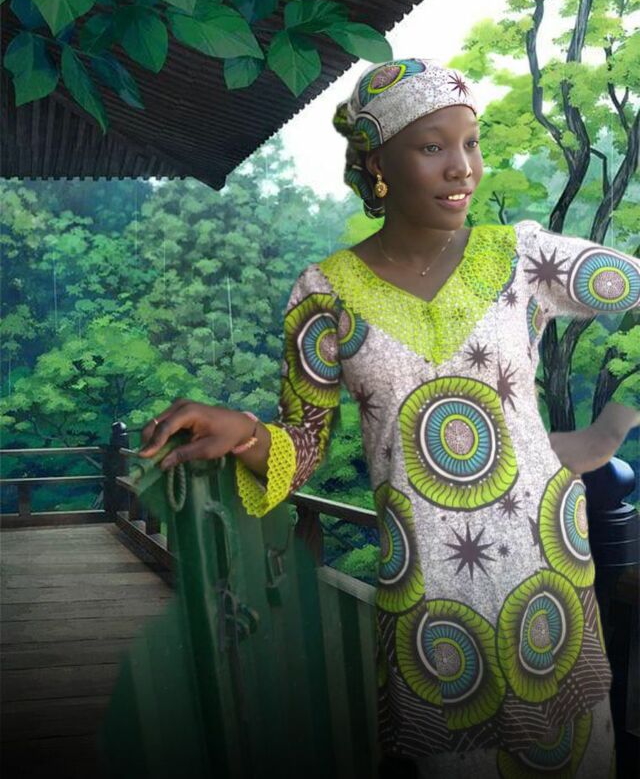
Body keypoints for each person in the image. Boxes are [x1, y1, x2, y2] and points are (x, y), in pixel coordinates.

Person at [138, 58, 640, 777]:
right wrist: (244, 431)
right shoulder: (325, 294)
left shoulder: (522, 257)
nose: (463, 167)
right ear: (378, 164)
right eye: (433, 146)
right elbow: (305, 446)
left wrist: (615, 422)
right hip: (433, 603)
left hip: (548, 579)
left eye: (470, 143)